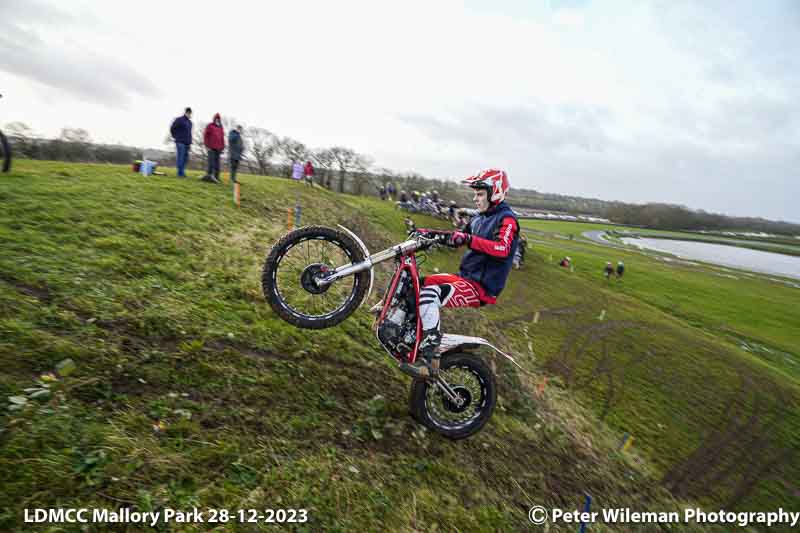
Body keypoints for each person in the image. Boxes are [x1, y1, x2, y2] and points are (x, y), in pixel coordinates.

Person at [400, 169, 519, 378]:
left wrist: (468, 240)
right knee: (416, 284)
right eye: (475, 194)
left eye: (480, 194)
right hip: (465, 277)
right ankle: (409, 335)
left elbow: (503, 249)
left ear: (496, 192)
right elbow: (458, 238)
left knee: (430, 295)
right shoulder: (479, 219)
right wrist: (429, 234)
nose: (475, 198)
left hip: (481, 288)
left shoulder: (507, 219)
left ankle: (431, 359)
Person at [170, 107, 193, 177]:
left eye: (190, 113)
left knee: (185, 159)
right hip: (180, 142)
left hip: (187, 143)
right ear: (185, 112)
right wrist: (175, 136)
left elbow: (189, 133)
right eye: (188, 113)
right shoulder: (179, 120)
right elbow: (172, 128)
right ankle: (180, 173)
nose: (189, 114)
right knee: (180, 157)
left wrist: (190, 141)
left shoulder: (190, 122)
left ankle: (182, 172)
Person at [203, 113, 225, 183]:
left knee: (217, 164)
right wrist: (207, 145)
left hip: (218, 148)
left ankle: (216, 177)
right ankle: (209, 176)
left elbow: (222, 138)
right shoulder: (210, 125)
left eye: (219, 119)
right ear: (214, 119)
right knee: (211, 163)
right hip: (211, 147)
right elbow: (205, 135)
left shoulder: (221, 127)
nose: (217, 120)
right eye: (216, 118)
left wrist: (223, 146)